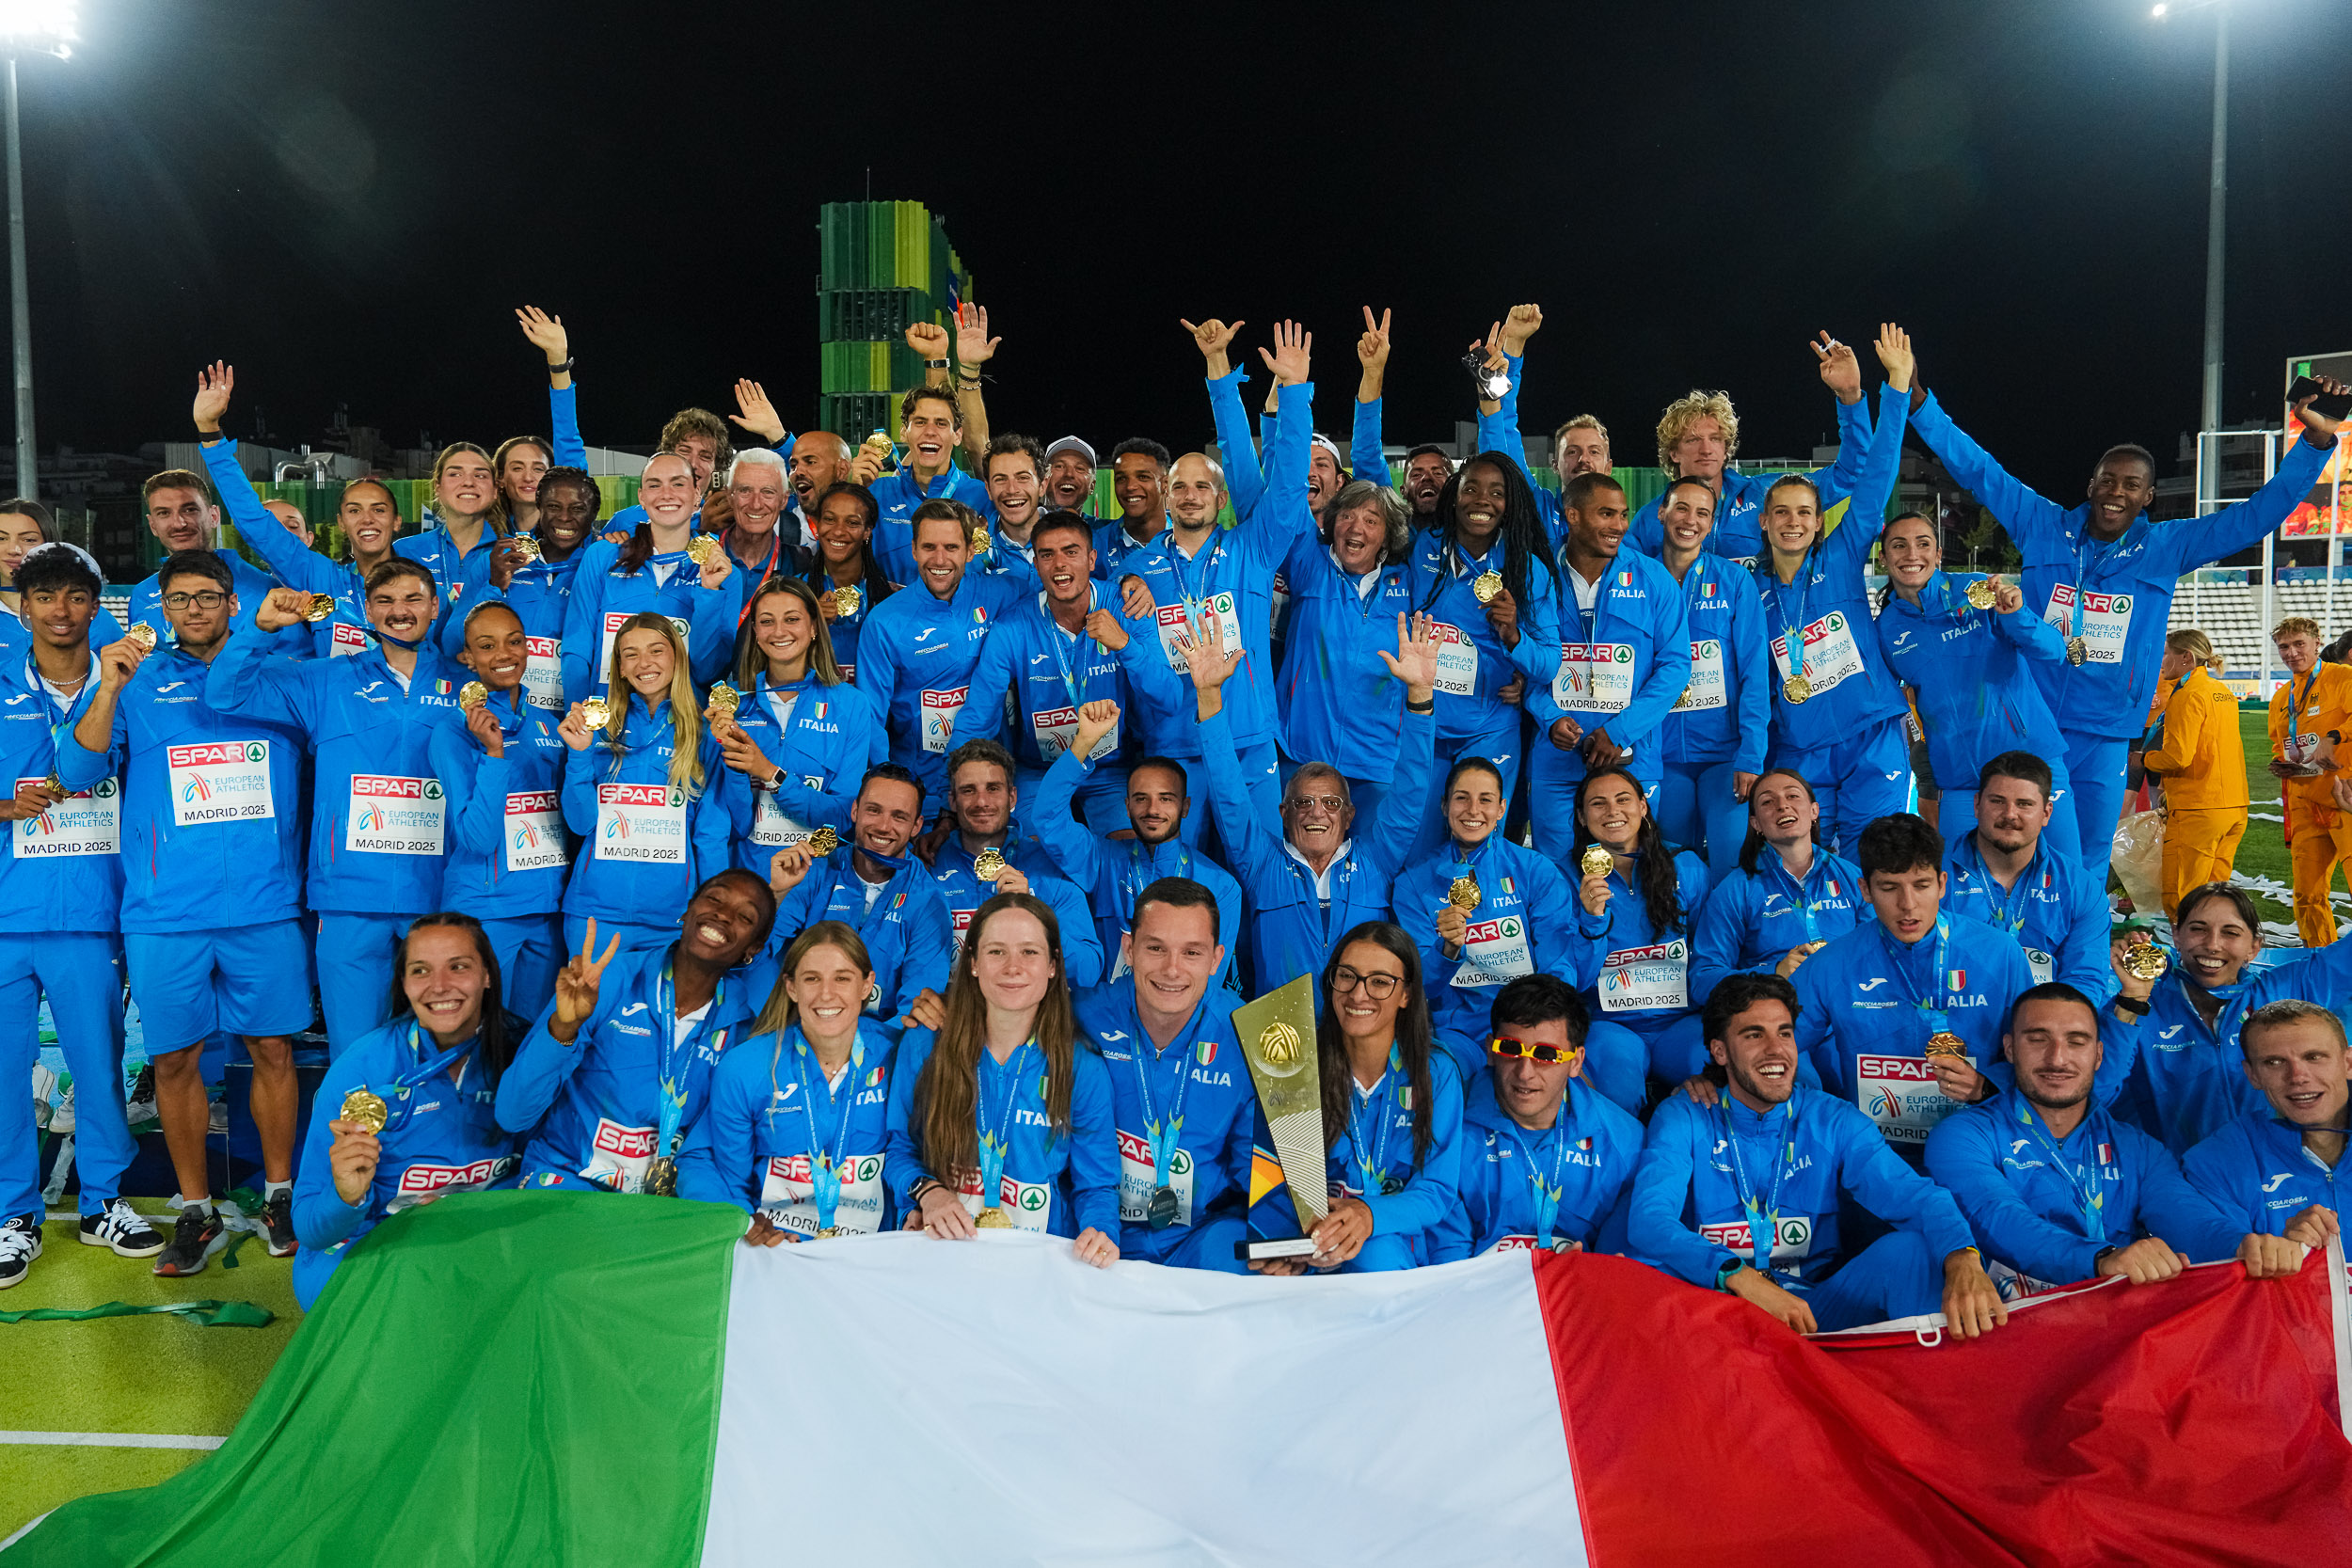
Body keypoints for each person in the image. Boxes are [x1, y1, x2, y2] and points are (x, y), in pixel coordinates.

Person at [1904, 363, 2346, 879]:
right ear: (2091, 484)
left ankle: (2083, 934)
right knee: (2012, 852)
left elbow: (2254, 516)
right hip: (2031, 721)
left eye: (2132, 485)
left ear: (2147, 497)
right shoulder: (2041, 525)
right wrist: (1919, 404)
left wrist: (2315, 442)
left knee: (2089, 860)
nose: (2116, 492)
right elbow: (1980, 470)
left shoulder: (2167, 546)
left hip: (2106, 731)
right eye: (2108, 480)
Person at [62, 549, 310, 1274]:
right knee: (173, 1060)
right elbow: (77, 771)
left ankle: (280, 1195)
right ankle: (196, 1210)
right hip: (165, 911)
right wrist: (108, 687)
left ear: (234, 604)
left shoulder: (277, 674)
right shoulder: (136, 682)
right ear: (161, 608)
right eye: (180, 598)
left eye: (207, 596)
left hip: (264, 906)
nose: (194, 609)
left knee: (273, 1050)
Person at [1629, 974, 2009, 1337]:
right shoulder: (1685, 1115)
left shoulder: (1833, 1119)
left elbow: (1915, 1195)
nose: (1775, 1049)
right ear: (1720, 1051)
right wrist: (1735, 1275)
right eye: (1754, 1035)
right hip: (1719, 1308)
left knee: (1912, 1253)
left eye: (1785, 1033)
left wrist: (1962, 1256)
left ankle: (1930, 1376)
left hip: (1812, 1309)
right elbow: (1649, 1219)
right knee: (1640, 1272)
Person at [208, 567, 469, 1057]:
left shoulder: (468, 685)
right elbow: (226, 693)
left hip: (438, 895)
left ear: (435, 607)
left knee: (446, 1050)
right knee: (355, 1053)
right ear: (368, 610)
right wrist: (260, 629)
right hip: (350, 896)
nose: (399, 611)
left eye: (414, 598)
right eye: (385, 600)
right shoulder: (328, 680)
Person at [1925, 984, 2306, 1300]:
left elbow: (2187, 1217)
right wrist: (2102, 1258)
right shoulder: (1962, 1136)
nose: (2057, 1059)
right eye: (2038, 1040)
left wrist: (2244, 1246)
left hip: (2114, 1328)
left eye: (2076, 1042)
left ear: (2098, 1055)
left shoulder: (2139, 1149)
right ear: (2009, 1049)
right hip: (2009, 1327)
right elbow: (1999, 1218)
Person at [0, 546, 153, 1286]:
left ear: (96, 606)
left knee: (98, 1063)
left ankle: (103, 1202)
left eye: (74, 596)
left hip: (92, 907)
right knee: (4, 1073)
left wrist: (110, 690)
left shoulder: (127, 682)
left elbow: (96, 771)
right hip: (7, 909)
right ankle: (13, 1213)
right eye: (44, 596)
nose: (60, 610)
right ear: (22, 607)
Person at [1119, 320, 1320, 831]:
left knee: (1260, 866)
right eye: (1179, 487)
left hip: (1247, 740)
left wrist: (1293, 391)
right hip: (1173, 747)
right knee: (1177, 869)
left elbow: (1289, 484)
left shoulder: (1253, 547)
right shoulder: (1135, 569)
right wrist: (1122, 586)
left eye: (1202, 487)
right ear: (1166, 498)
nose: (1190, 495)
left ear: (1221, 498)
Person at [1186, 613, 1438, 996]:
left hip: (1359, 1020)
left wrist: (1419, 695)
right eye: (1302, 802)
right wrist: (1208, 696)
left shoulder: (1376, 862)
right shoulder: (1261, 864)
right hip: (1283, 1030)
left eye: (1331, 803)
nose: (1316, 812)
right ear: (1284, 813)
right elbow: (1229, 794)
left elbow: (1411, 791)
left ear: (1350, 816)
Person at [293, 914, 523, 1307]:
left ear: (487, 975)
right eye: (421, 970)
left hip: (485, 1233)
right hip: (380, 1239)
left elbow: (546, 1173)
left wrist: (466, 1213)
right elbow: (310, 1230)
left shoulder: (525, 1059)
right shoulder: (361, 1070)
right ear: (403, 983)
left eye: (458, 966)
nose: (440, 985)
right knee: (366, 1297)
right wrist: (345, 1197)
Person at [500, 876, 775, 1193]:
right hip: (566, 1185)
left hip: (659, 1205)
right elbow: (512, 1115)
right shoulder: (607, 981)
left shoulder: (742, 1033)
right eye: (714, 899)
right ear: (687, 910)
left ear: (753, 948)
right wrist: (564, 1028)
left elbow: (708, 1155)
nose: (723, 915)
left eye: (745, 917)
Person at [884, 892, 1120, 1261]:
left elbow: (1097, 1185)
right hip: (946, 1250)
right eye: (996, 952)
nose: (1013, 967)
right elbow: (899, 1148)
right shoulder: (925, 1043)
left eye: (1029, 952)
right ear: (973, 963)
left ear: (1053, 965)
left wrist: (1100, 1234)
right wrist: (927, 1193)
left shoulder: (1080, 1067)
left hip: (1037, 1260)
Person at [1754, 325, 1915, 853]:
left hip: (1871, 733)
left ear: (1820, 520)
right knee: (1810, 866)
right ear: (1764, 522)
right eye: (1782, 513)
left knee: (1880, 859)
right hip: (1799, 748)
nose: (1794, 522)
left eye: (1805, 512)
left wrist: (1893, 386)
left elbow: (1877, 476)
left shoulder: (1842, 557)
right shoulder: (1746, 590)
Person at [1791, 813, 2034, 1158]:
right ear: (1865, 890)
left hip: (1980, 1145)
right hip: (1874, 1153)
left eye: (1921, 885)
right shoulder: (1833, 964)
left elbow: (2035, 1049)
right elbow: (1778, 1039)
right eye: (1889, 888)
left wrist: (1986, 1085)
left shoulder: (2000, 954)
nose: (1908, 905)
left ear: (1942, 884)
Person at [1248, 923, 1464, 1274]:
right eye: (1347, 976)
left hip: (1389, 1245)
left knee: (1376, 1256)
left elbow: (1436, 1190)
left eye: (1380, 982)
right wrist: (1284, 1243)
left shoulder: (1436, 1071)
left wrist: (1369, 1215)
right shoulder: (1293, 1063)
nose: (1358, 994)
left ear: (1406, 994)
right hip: (1310, 1242)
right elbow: (1271, 1171)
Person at [1072, 879, 1259, 1271]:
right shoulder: (1080, 1014)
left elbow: (1253, 1165)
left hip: (1199, 1233)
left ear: (1216, 959)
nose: (1172, 970)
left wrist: (1282, 1233)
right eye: (1156, 948)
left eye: (1191, 952)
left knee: (1243, 1258)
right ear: (1129, 949)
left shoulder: (1247, 1033)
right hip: (1093, 1223)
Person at [956, 511, 1181, 832]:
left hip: (1109, 770)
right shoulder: (1012, 627)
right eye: (1047, 555)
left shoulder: (1127, 606)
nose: (1059, 565)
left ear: (1091, 559)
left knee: (1128, 850)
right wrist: (949, 792)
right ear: (1036, 564)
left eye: (1071, 552)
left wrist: (1125, 645)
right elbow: (978, 714)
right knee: (1033, 853)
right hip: (1040, 771)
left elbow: (1170, 698)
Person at [1873, 509, 2077, 862]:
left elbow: (2054, 651)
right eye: (1899, 545)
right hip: (1960, 780)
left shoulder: (1979, 590)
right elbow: (1891, 704)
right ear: (1883, 557)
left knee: (2064, 875)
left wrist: (2016, 616)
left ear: (1939, 554)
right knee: (1962, 883)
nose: (1911, 554)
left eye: (1923, 544)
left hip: (2032, 760)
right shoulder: (1886, 629)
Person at [675, 922, 899, 1241]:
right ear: (791, 987)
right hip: (777, 1249)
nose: (826, 994)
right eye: (812, 979)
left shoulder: (898, 1057)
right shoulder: (747, 1066)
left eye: (842, 978)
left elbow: (914, 1155)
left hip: (872, 1250)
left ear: (866, 985)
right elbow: (705, 1163)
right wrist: (745, 1223)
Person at [1527, 470, 1693, 865]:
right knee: (1558, 873)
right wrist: (1549, 718)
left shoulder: (1653, 579)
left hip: (1632, 758)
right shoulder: (1537, 575)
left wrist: (1618, 733)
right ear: (1572, 515)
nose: (1619, 525)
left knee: (1633, 869)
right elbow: (1525, 664)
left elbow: (1675, 668)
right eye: (1606, 514)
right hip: (1557, 758)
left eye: (1623, 514)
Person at [2114, 883, 2352, 1157]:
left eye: (2230, 932)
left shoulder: (2281, 991)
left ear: (2254, 947)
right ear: (2176, 936)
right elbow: (2096, 1092)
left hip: (2276, 1173)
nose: (2212, 945)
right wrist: (2131, 1000)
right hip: (2172, 1174)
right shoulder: (2139, 1005)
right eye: (2198, 929)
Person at [1406, 449, 1559, 857]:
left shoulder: (1526, 567)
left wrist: (1514, 638)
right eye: (1471, 488)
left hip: (1489, 729)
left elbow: (1550, 663)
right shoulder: (1425, 548)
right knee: (1417, 847)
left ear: (1510, 504)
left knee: (1477, 842)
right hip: (1424, 723)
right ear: (1454, 494)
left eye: (1496, 493)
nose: (1482, 500)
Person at [1032, 703, 1244, 990]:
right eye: (1141, 799)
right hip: (1110, 1009)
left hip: (1178, 1005)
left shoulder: (1221, 886)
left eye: (1166, 799)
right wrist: (1083, 743)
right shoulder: (1102, 861)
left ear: (1185, 807)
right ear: (1127, 806)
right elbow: (1048, 817)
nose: (1153, 809)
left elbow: (1208, 983)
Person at [1430, 976, 1644, 1261]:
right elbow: (1447, 1260)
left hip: (1578, 1283)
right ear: (1490, 1050)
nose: (1525, 1073)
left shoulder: (1626, 1143)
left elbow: (1621, 1258)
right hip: (1475, 1284)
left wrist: (1593, 1272)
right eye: (1511, 1049)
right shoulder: (1448, 1128)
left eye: (1546, 1054)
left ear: (1576, 1062)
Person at [555, 613, 730, 957]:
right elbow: (581, 823)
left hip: (672, 918)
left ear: (677, 657)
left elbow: (711, 834)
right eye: (631, 654)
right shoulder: (597, 728)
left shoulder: (703, 733)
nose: (644, 663)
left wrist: (714, 908)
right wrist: (578, 755)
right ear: (620, 668)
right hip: (594, 914)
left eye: (656, 650)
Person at [430, 602, 571, 1021]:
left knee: (530, 1041)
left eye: (514, 642)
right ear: (467, 657)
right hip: (487, 910)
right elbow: (477, 838)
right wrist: (493, 754)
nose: (505, 654)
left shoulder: (550, 724)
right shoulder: (453, 731)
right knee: (479, 1038)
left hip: (548, 909)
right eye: (487, 646)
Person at [1624, 333, 1878, 565]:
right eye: (1693, 440)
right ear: (1673, 453)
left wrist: (1850, 396)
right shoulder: (1649, 520)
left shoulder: (1766, 495)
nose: (1706, 449)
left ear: (1726, 449)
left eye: (1715, 439)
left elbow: (1850, 474)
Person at [1396, 757, 1579, 1079]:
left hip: (1529, 1024)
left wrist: (1539, 1025)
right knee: (1438, 1074)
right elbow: (1422, 987)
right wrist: (1448, 950)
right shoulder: (1413, 883)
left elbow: (1558, 966)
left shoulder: (1535, 870)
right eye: (1462, 798)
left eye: (1485, 800)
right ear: (1444, 805)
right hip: (1459, 1032)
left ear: (1502, 809)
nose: (1473, 810)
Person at [852, 499, 1028, 805]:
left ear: (970, 551)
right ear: (914, 550)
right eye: (929, 547)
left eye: (951, 547)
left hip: (991, 783)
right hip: (922, 787)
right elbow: (870, 720)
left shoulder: (1003, 592)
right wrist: (893, 789)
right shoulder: (883, 623)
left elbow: (1057, 596)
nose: (939, 559)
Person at [1556, 767, 1710, 1105]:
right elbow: (1571, 980)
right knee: (1618, 1091)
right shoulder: (1562, 877)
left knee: (1722, 1081)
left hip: (1682, 1022)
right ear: (1581, 816)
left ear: (1643, 806)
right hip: (1609, 1025)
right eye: (1598, 803)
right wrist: (1592, 920)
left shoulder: (1686, 865)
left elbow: (1708, 957)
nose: (1612, 811)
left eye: (1623, 799)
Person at [1273, 480, 1422, 825]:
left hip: (1376, 763)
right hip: (1301, 754)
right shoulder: (1309, 564)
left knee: (1371, 859)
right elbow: (1279, 491)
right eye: (1347, 516)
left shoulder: (1409, 583)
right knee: (1298, 853)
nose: (1356, 528)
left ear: (1387, 535)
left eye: (1371, 520)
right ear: (1331, 523)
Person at [709, 576, 884, 871]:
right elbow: (735, 826)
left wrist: (770, 773)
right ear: (755, 631)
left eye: (792, 619)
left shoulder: (851, 704)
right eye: (767, 621)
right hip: (749, 878)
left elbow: (843, 816)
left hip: (818, 879)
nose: (779, 631)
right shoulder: (732, 705)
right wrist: (733, 764)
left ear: (814, 627)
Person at [762, 764, 956, 1028]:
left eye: (899, 817)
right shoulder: (814, 872)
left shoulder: (928, 902)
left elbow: (916, 1011)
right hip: (803, 1030)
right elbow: (756, 955)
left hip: (879, 1044)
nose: (884, 826)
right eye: (873, 810)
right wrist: (776, 893)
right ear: (855, 811)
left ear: (916, 826)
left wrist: (855, 1047)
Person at [1652, 477, 1772, 879]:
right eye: (1681, 508)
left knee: (1730, 869)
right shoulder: (1639, 578)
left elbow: (1755, 673)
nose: (1691, 520)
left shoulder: (1735, 582)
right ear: (1662, 513)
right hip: (1660, 756)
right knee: (1669, 872)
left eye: (1702, 513)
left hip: (1725, 758)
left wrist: (1751, 754)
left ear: (1711, 523)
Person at [558, 452, 741, 701]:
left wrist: (709, 593)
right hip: (608, 718)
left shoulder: (725, 576)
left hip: (680, 722)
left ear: (697, 495)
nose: (666, 494)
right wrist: (580, 714)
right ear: (641, 498)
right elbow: (576, 650)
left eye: (678, 484)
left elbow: (707, 672)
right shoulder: (602, 556)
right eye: (655, 485)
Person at [924, 739, 1104, 988]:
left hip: (1030, 1009)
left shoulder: (1049, 867)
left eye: (993, 788)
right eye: (968, 790)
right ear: (952, 801)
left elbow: (1088, 970)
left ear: (1012, 797)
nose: (982, 802)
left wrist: (1035, 916)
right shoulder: (929, 866)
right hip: (953, 1008)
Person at [1690, 768, 1868, 1005]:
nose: (1782, 806)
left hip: (1848, 1009)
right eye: (1767, 802)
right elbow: (1702, 982)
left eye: (1792, 796)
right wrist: (1773, 974)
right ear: (1756, 823)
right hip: (1774, 1014)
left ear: (1814, 810)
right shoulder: (1734, 891)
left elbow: (1884, 953)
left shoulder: (1853, 878)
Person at [1942, 752, 2112, 997]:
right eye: (1997, 801)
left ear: (2046, 813)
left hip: (2045, 1018)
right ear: (1977, 805)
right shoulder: (1932, 874)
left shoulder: (2080, 888)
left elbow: (2085, 981)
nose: (2010, 814)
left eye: (2024, 804)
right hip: (1952, 1015)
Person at [2183, 999, 2347, 1242]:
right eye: (2274, 1062)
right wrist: (2287, 1253)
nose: (2298, 1077)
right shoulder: (2213, 1163)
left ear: (2349, 1063)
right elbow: (2224, 1258)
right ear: (2253, 1075)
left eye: (2314, 1057)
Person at [1472, 305, 1613, 547]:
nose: (1583, 459)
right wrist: (1513, 347)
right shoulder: (1536, 508)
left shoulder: (1623, 535)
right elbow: (1503, 443)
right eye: (1572, 451)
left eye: (1594, 451)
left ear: (1609, 467)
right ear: (1555, 465)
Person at [2142, 628, 2247, 917]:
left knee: (2183, 899)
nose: (2162, 661)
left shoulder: (2187, 695)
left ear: (2186, 657)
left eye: (2166, 653)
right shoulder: (2222, 691)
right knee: (2214, 898)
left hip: (2198, 807)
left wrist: (2145, 759)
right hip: (2233, 806)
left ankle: (2188, 947)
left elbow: (2178, 757)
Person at [124, 467, 289, 646]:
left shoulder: (264, 589)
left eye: (190, 510)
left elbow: (292, 658)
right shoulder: (142, 595)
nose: (179, 524)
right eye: (164, 513)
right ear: (153, 525)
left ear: (214, 516)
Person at [2267, 616, 2352, 946]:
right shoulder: (2281, 698)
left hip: (2345, 797)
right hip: (2305, 800)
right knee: (2306, 895)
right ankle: (2319, 958)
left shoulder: (2342, 677)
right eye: (2284, 647)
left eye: (2298, 644)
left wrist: (2334, 736)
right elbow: (2280, 744)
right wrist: (2282, 763)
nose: (2291, 653)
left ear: (2317, 643)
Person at [868, 384, 989, 581]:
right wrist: (854, 491)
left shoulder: (983, 497)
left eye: (941, 423)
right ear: (904, 432)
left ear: (957, 435)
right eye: (920, 422)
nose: (930, 431)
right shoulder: (877, 493)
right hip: (892, 602)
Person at [394, 442, 507, 613]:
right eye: (455, 474)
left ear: (495, 491)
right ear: (437, 487)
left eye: (480, 475)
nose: (468, 482)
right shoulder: (405, 552)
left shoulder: (511, 555)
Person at [799, 481, 893, 680]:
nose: (838, 531)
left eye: (852, 523)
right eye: (829, 519)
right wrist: (810, 624)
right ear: (818, 524)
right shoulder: (795, 595)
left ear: (867, 531)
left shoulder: (888, 599)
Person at [710, 449, 798, 584]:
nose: (756, 505)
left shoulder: (800, 563)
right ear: (729, 496)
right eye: (745, 491)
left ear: (784, 500)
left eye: (768, 492)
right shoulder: (701, 555)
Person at [1092, 437, 1172, 583]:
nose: (1130, 487)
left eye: (1143, 477)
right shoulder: (1096, 545)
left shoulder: (1192, 539)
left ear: (1165, 484)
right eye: (1121, 479)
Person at [1043, 436, 1099, 520]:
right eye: (1059, 466)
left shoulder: (1104, 527)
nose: (1069, 474)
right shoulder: (1024, 525)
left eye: (1080, 468)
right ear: (1043, 480)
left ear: (1092, 486)